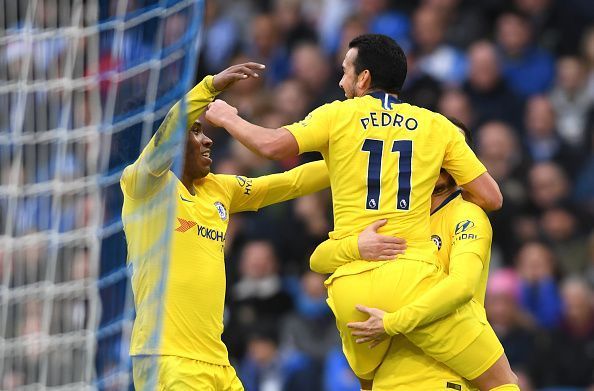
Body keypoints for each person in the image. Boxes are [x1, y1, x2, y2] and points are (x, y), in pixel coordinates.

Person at [205, 34, 518, 390]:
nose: (341, 82)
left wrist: (228, 117)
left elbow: (273, 147)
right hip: (410, 279)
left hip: (350, 290)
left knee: (371, 382)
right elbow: (491, 197)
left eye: (345, 72)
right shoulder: (436, 127)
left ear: (364, 78)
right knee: (503, 382)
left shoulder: (338, 117)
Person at [121, 63, 331, 390]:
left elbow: (291, 182)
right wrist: (209, 86)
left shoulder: (220, 189)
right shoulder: (142, 188)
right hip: (167, 359)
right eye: (195, 131)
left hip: (218, 361)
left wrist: (348, 162)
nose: (207, 141)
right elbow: (168, 134)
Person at [309, 121, 495, 390]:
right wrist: (357, 247)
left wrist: (391, 324)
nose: (441, 157)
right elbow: (318, 259)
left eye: (453, 150)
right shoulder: (393, 215)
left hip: (441, 373)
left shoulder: (466, 216)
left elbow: (462, 286)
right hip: (386, 374)